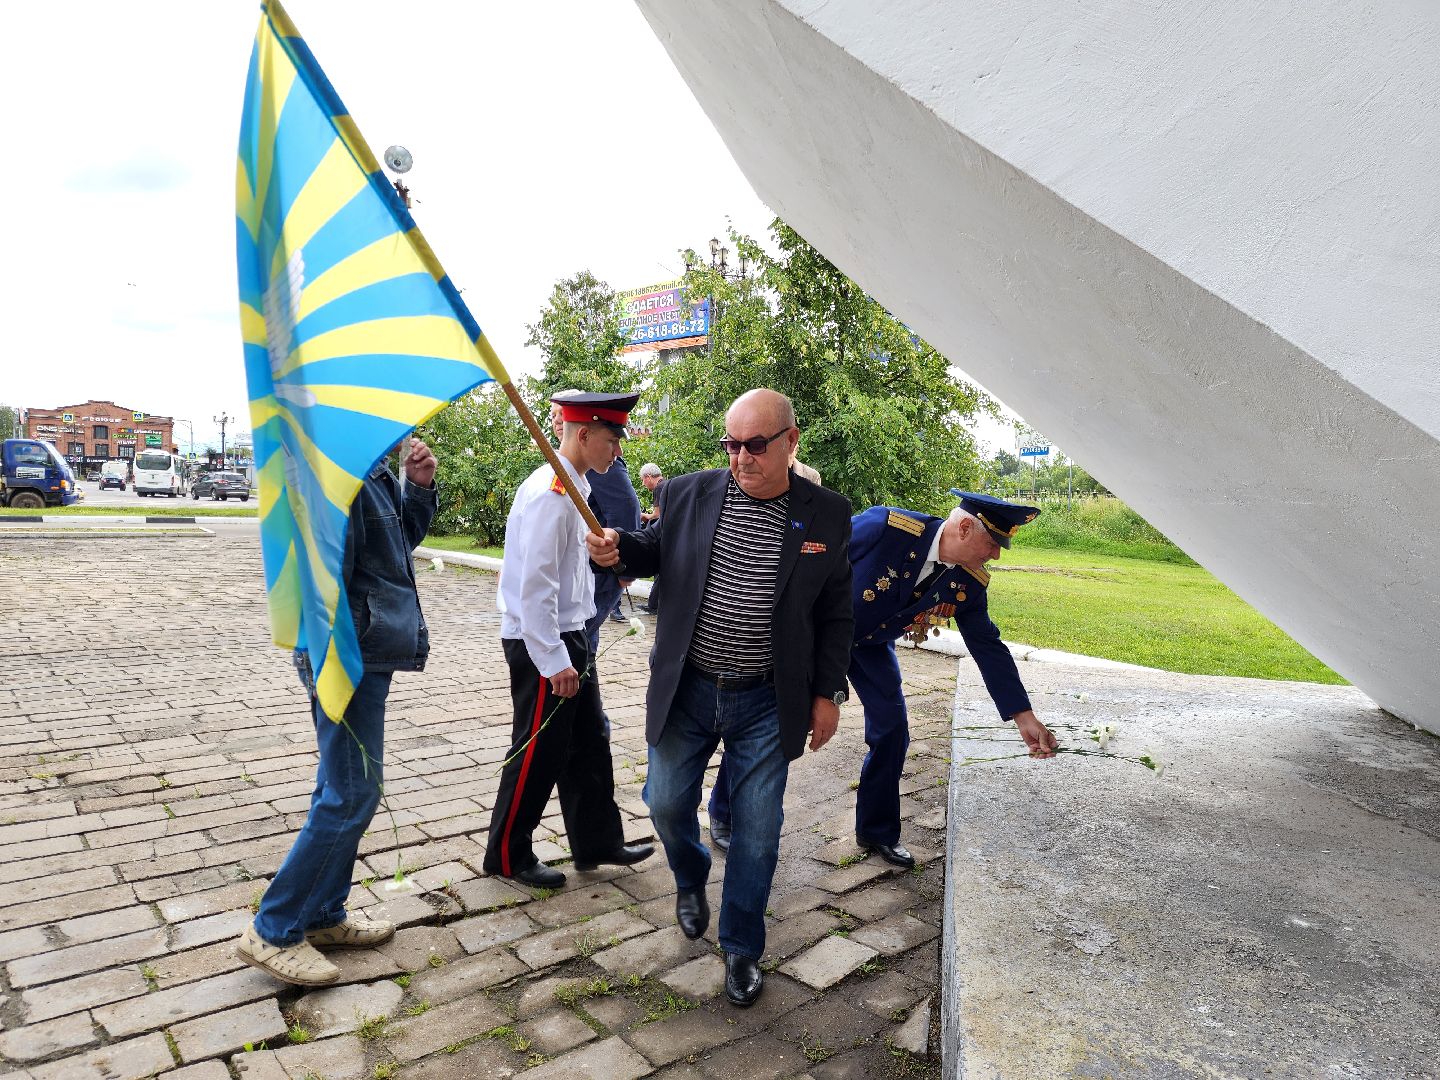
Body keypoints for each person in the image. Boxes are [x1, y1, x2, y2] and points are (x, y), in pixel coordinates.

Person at [586, 389, 853, 1008]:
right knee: (664, 802)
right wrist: (617, 547)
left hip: (767, 698)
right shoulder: (688, 493)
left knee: (758, 830)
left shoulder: (826, 513)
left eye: (754, 445)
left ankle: (741, 947)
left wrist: (828, 693)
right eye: (731, 445)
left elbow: (836, 611)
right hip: (689, 686)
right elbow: (652, 549)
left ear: (790, 441)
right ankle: (690, 873)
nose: (740, 458)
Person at [708, 491, 1059, 866]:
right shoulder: (886, 528)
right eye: (992, 544)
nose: (996, 555)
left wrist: (1023, 716)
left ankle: (877, 830)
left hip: (870, 644)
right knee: (774, 718)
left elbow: (988, 647)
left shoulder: (969, 582)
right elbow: (813, 554)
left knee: (892, 728)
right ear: (965, 528)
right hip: (818, 632)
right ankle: (726, 812)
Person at [236, 437, 440, 987]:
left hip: (364, 650)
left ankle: (323, 914)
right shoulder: (336, 470)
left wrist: (418, 490)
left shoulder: (371, 468)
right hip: (346, 654)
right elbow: (322, 581)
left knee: (340, 784)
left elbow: (395, 550)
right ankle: (274, 928)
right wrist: (333, 665)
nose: (411, 429)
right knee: (352, 793)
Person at [483, 392, 654, 888]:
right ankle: (507, 854)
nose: (617, 452)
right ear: (583, 434)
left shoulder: (574, 486)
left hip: (572, 633)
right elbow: (534, 588)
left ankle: (596, 842)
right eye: (611, 440)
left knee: (588, 742)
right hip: (543, 641)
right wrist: (554, 659)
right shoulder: (551, 494)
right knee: (540, 749)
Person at [637, 462, 665, 613]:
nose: (643, 483)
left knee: (659, 569)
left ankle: (653, 605)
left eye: (643, 480)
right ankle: (655, 604)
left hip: (664, 535)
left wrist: (642, 516)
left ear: (648, 477)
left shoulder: (659, 487)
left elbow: (657, 515)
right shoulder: (669, 484)